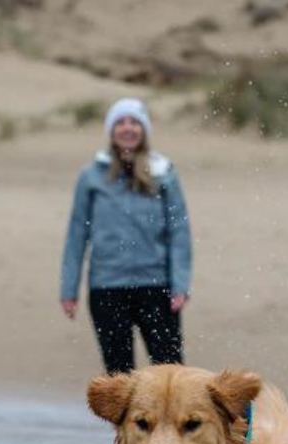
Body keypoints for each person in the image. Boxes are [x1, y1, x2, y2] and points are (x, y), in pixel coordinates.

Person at [60, 97, 192, 374]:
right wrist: (68, 289)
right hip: (107, 287)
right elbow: (76, 234)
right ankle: (122, 421)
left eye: (135, 122)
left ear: (144, 130)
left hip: (156, 286)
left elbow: (179, 232)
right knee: (119, 377)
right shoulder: (91, 176)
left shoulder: (163, 173)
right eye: (120, 122)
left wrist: (180, 284)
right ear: (111, 130)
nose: (128, 128)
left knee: (169, 371)